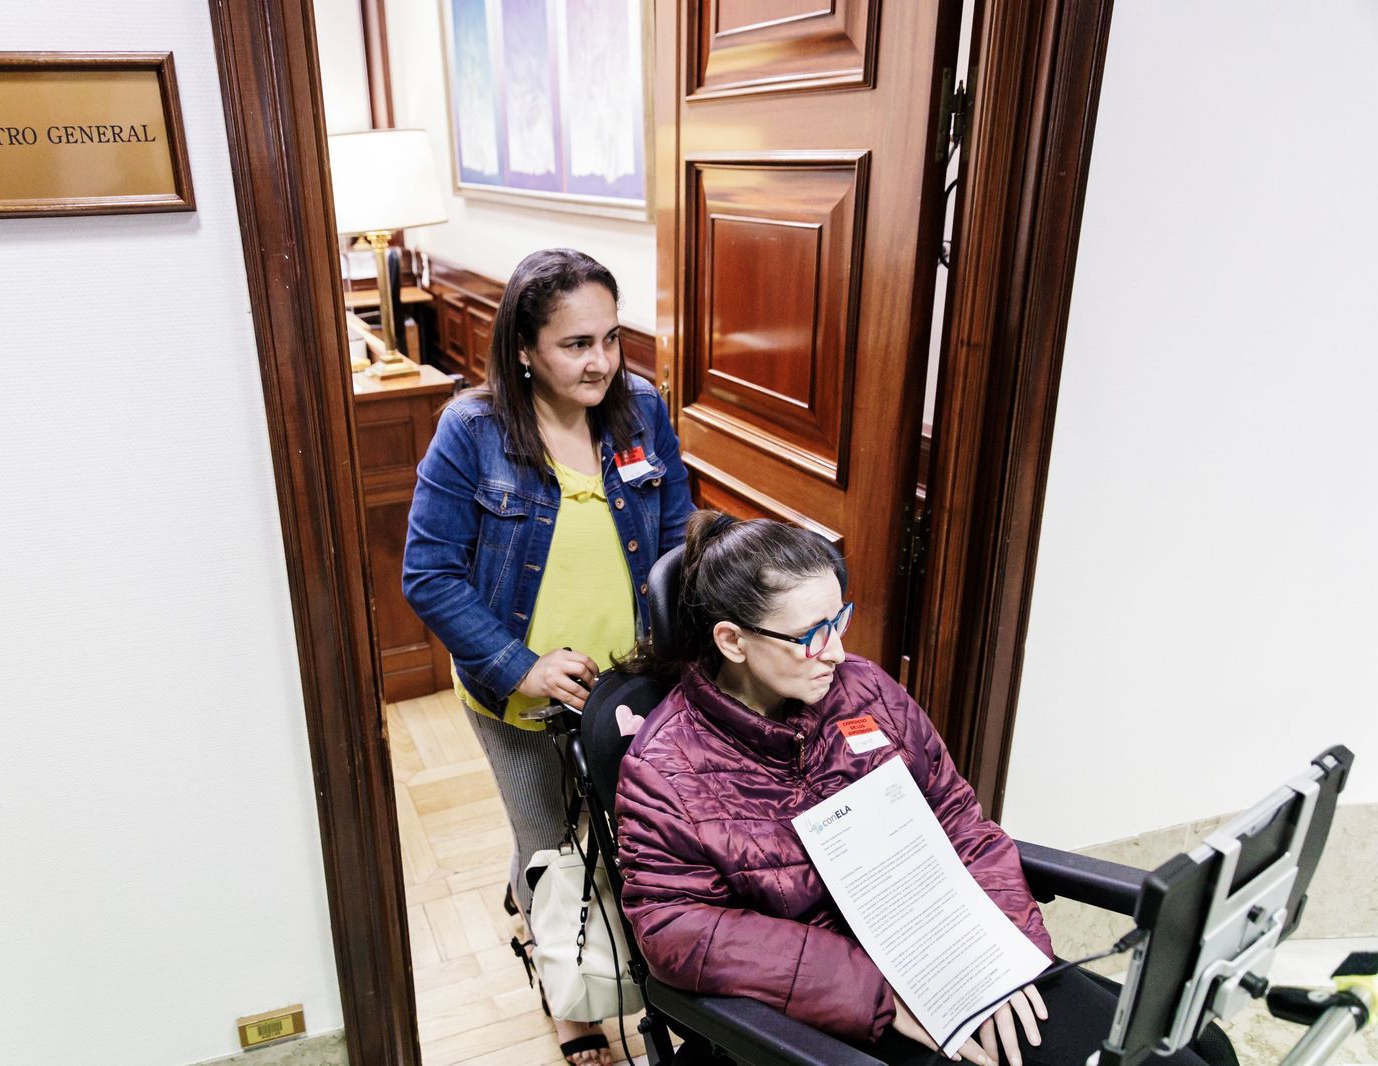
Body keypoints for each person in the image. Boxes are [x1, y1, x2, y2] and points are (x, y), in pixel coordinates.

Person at [613, 512, 1223, 1066]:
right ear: (732, 641)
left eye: (838, 621)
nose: (837, 652)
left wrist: (1004, 953)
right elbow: (675, 929)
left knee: (1198, 1051)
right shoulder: (665, 768)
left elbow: (959, 820)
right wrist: (874, 994)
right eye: (809, 636)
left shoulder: (865, 692)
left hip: (954, 950)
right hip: (844, 1006)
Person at [402, 248, 693, 1065]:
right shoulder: (474, 430)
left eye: (610, 337)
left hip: (630, 681)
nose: (599, 361)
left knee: (622, 832)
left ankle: (545, 909)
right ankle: (571, 1004)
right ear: (524, 348)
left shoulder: (640, 408)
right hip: (518, 689)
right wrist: (517, 664)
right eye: (575, 344)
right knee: (545, 837)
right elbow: (427, 573)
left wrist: (673, 650)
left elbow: (675, 533)